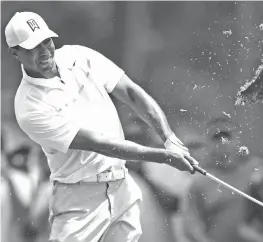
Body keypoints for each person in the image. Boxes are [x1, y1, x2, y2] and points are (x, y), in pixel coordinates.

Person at [5, 11, 199, 242]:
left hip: (122, 188)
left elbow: (130, 92)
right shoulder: (29, 106)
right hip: (80, 201)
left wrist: (170, 139)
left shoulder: (79, 56)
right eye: (33, 47)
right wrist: (164, 156)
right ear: (15, 52)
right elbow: (101, 144)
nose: (44, 51)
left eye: (46, 41)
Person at [181, 116, 263, 242]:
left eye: (227, 137)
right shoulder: (200, 181)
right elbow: (192, 227)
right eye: (216, 139)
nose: (222, 144)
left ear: (237, 140)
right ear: (208, 145)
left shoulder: (258, 168)